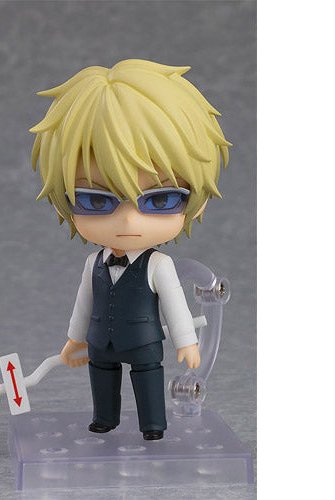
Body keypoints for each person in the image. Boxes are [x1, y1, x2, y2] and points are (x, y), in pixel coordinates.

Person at [29, 59, 231, 440]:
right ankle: (104, 418)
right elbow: (83, 303)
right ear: (62, 203)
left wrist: (187, 342)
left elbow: (176, 305)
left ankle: (153, 424)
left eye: (160, 200)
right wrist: (74, 339)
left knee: (147, 376)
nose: (127, 220)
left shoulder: (159, 265)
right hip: (99, 341)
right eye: (95, 200)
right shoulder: (93, 263)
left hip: (143, 341)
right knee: (102, 376)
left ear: (196, 202)